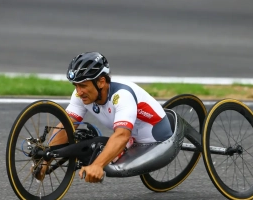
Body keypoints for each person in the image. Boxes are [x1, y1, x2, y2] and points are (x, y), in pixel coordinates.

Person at [35, 52, 173, 183]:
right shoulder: (81, 94)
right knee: (88, 143)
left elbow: (122, 136)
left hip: (155, 140)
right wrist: (46, 159)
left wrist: (97, 165)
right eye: (75, 85)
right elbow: (66, 126)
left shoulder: (122, 96)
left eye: (83, 85)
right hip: (131, 139)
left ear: (101, 82)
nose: (78, 91)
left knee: (101, 155)